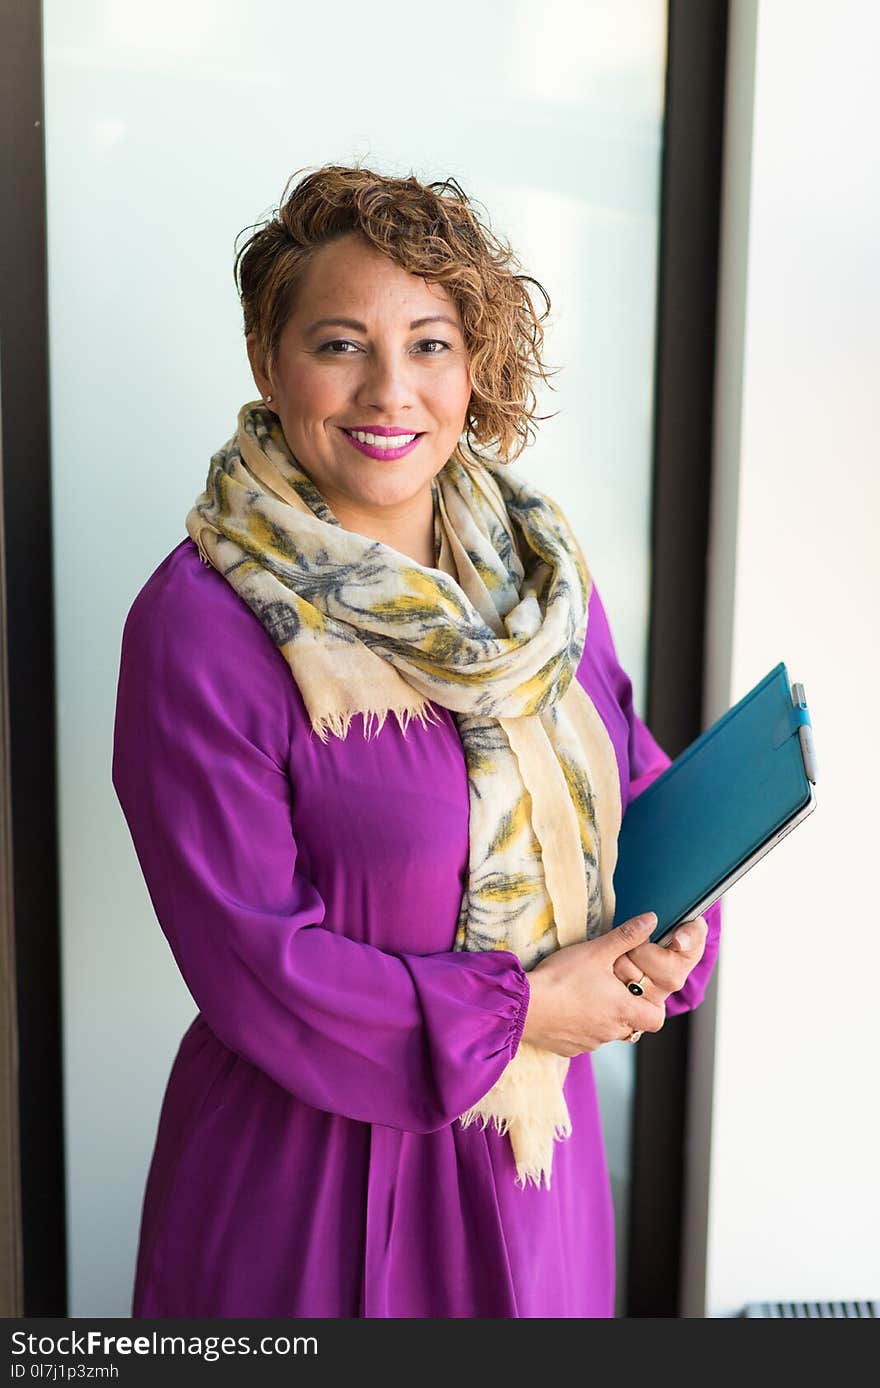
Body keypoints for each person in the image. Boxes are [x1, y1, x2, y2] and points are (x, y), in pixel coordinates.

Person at [112, 163, 720, 1319]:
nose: (390, 390)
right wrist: (520, 1011)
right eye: (340, 343)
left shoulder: (538, 576)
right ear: (266, 357)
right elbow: (254, 961)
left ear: (473, 363)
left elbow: (628, 787)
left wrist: (674, 923)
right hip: (320, 1179)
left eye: (430, 343)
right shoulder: (202, 623)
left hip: (537, 1161)